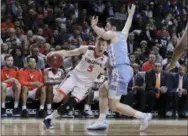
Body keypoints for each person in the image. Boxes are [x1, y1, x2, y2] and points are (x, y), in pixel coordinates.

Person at [87, 4, 152, 131]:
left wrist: (94, 26)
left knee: (114, 105)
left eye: (107, 26)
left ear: (113, 27)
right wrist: (131, 15)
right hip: (119, 71)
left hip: (119, 70)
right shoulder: (122, 34)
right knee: (102, 91)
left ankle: (143, 116)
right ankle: (102, 121)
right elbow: (127, 26)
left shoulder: (112, 34)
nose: (105, 28)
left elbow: (104, 35)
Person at [43, 37, 108, 129]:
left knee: (69, 106)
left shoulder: (108, 58)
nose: (100, 47)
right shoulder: (87, 49)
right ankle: (48, 110)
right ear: (95, 44)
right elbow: (69, 52)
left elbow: (108, 71)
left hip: (85, 85)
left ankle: (49, 119)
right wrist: (55, 53)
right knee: (57, 99)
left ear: (106, 47)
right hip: (74, 77)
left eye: (103, 45)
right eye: (99, 44)